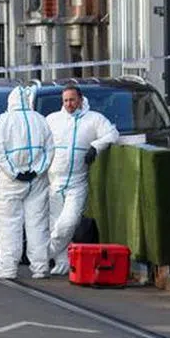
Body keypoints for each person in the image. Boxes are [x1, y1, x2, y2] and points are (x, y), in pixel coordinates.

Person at [45, 85, 118, 275]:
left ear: (80, 99)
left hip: (77, 183)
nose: (69, 104)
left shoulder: (93, 119)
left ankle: (41, 254)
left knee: (68, 223)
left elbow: (112, 134)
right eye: (66, 101)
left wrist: (96, 147)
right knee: (55, 224)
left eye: (72, 100)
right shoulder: (53, 120)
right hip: (54, 181)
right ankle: (62, 264)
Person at [0, 84, 53, 280]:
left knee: (8, 223)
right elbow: (50, 149)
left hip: (11, 181)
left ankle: (8, 266)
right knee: (38, 223)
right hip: (37, 180)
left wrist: (14, 172)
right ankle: (40, 266)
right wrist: (37, 170)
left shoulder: (4, 121)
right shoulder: (40, 120)